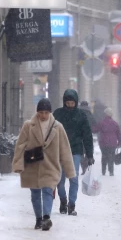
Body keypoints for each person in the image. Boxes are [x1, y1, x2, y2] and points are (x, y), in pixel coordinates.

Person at [12, 99, 76, 231]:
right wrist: (18, 163)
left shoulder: (58, 127)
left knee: (48, 190)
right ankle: (38, 218)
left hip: (50, 165)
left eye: (46, 112)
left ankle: (46, 217)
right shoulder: (28, 126)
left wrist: (69, 171)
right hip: (32, 165)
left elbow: (65, 149)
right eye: (41, 112)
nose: (43, 115)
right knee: (35, 194)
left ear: (50, 113)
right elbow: (20, 145)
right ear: (37, 112)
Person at [53, 89, 94, 216]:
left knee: (74, 178)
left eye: (72, 103)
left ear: (76, 102)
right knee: (60, 180)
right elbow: (50, 132)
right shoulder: (58, 114)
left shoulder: (81, 115)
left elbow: (87, 136)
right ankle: (63, 200)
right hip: (60, 151)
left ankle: (71, 205)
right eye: (68, 103)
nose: (70, 105)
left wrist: (89, 154)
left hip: (75, 151)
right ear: (64, 102)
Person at [93, 108, 121, 176]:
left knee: (104, 156)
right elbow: (119, 134)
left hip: (103, 143)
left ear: (105, 114)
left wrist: (91, 126)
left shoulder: (101, 123)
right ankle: (111, 171)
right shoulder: (115, 123)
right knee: (111, 157)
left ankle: (103, 171)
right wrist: (120, 142)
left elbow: (95, 130)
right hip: (113, 143)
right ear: (111, 115)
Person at [79, 101, 97, 174]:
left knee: (80, 152)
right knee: (87, 151)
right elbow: (94, 123)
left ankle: (83, 166)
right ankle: (86, 165)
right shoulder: (89, 114)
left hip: (79, 136)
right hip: (88, 135)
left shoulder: (77, 113)